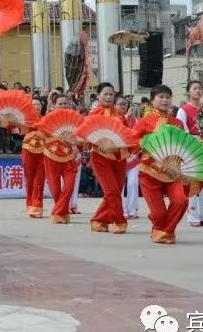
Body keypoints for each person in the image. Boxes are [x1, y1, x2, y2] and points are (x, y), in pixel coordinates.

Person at [133, 85, 188, 244]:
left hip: (173, 171)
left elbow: (183, 146)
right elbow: (132, 140)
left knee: (181, 201)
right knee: (159, 214)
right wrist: (142, 142)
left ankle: (164, 231)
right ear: (152, 100)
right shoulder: (144, 122)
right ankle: (160, 224)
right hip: (149, 172)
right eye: (161, 97)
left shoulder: (177, 123)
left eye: (168, 97)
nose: (165, 100)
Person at [86, 82, 129, 233]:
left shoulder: (120, 115)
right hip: (100, 156)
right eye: (105, 94)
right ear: (98, 96)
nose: (109, 97)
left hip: (119, 157)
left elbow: (127, 134)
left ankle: (99, 219)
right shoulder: (93, 115)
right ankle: (118, 220)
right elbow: (85, 136)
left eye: (111, 94)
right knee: (111, 191)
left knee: (116, 190)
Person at [178, 80, 203, 227]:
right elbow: (182, 128)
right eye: (195, 88)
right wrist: (193, 141)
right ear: (189, 91)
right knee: (192, 180)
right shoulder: (183, 110)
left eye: (200, 88)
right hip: (190, 145)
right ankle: (193, 216)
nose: (198, 91)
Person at [43, 93, 79, 223]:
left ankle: (57, 212)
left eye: (65, 103)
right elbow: (42, 133)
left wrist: (74, 141)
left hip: (69, 156)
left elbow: (80, 137)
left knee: (69, 186)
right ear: (54, 106)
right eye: (60, 104)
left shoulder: (74, 119)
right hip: (51, 155)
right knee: (55, 188)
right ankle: (62, 213)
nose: (63, 106)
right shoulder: (49, 118)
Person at [21, 104, 46, 218]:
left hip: (43, 152)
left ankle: (37, 207)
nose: (36, 106)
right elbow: (22, 132)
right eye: (34, 104)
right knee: (30, 180)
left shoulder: (46, 119)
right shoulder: (25, 119)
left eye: (38, 104)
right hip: (28, 151)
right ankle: (30, 205)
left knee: (39, 181)